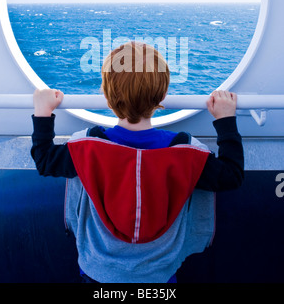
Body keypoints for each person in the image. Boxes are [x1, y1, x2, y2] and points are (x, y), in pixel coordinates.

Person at [31, 41, 244, 283]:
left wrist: (43, 112)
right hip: (158, 276)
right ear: (162, 95)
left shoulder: (86, 147)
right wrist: (225, 119)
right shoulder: (187, 152)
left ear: (107, 96)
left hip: (98, 274)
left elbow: (44, 160)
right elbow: (231, 174)